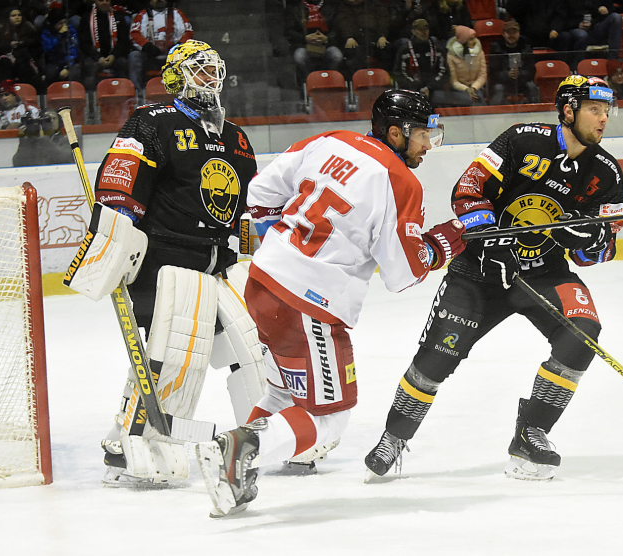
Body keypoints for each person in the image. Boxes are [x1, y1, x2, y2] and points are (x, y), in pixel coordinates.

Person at [194, 89, 467, 517]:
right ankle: (238, 449)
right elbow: (404, 272)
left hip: (262, 282)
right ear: (395, 133)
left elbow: (260, 193)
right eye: (421, 135)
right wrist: (443, 244)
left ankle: (236, 475)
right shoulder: (400, 180)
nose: (426, 145)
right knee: (329, 420)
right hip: (309, 304)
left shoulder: (329, 141)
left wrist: (281, 244)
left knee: (283, 392)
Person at [363, 75, 623, 483]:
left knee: (583, 332)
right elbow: (467, 190)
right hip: (479, 273)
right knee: (436, 359)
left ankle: (531, 433)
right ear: (568, 110)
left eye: (607, 110)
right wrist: (493, 242)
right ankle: (393, 437)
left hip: (544, 274)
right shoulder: (523, 140)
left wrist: (589, 237)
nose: (604, 118)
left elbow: (600, 251)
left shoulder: (607, 174)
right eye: (595, 109)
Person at [62, 40, 268, 487]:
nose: (210, 79)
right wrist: (109, 248)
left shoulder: (235, 137)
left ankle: (252, 434)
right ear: (176, 77)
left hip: (218, 265)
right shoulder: (153, 121)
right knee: (177, 355)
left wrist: (248, 251)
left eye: (215, 70)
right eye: (199, 70)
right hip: (166, 264)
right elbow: (120, 189)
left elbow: (248, 208)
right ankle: (141, 439)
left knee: (247, 351)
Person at [128, 0, 194, 90]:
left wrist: (178, 46)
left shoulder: (177, 13)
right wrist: (147, 46)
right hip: (150, 57)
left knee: (189, 55)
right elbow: (134, 34)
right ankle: (137, 91)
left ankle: (186, 90)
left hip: (172, 57)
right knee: (134, 56)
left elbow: (188, 33)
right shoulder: (142, 15)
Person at [285, 0, 344, 87]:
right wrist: (305, 38)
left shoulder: (331, 7)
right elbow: (289, 31)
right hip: (303, 45)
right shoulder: (295, 8)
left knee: (336, 55)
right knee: (300, 56)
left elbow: (338, 28)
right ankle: (309, 83)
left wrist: (326, 38)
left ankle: (328, 81)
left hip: (327, 45)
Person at [0, 6, 44, 91]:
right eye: (13, 16)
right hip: (4, 61)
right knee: (4, 63)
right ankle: (4, 90)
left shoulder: (29, 28)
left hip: (23, 60)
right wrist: (9, 45)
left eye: (19, 15)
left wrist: (22, 43)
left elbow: (36, 46)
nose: (17, 17)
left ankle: (27, 91)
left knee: (24, 65)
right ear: (8, 17)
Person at [78, 0, 131, 91]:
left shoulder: (118, 16)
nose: (105, 3)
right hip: (94, 57)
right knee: (89, 66)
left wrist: (113, 55)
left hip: (115, 56)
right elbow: (84, 43)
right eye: (101, 0)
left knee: (123, 63)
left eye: (107, 0)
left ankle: (124, 97)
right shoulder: (86, 18)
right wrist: (98, 57)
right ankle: (91, 99)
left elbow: (124, 41)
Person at [392, 18, 450, 100]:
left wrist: (430, 87)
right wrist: (416, 87)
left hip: (434, 89)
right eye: (420, 30)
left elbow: (444, 73)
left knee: (441, 97)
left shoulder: (437, 48)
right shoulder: (404, 50)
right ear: (413, 31)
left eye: (426, 29)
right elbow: (399, 74)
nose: (424, 32)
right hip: (412, 89)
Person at [333, 0, 394, 76]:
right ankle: (359, 79)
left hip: (374, 40)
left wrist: (382, 36)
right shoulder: (342, 6)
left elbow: (383, 20)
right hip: (355, 41)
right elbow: (343, 21)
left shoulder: (374, 4)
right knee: (354, 52)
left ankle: (386, 79)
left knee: (387, 49)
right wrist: (349, 36)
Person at [556, 0, 623, 68]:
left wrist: (606, 9)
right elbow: (561, 19)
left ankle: (612, 61)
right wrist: (577, 24)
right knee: (581, 35)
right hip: (576, 27)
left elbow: (610, 7)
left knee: (616, 17)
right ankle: (579, 67)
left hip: (595, 26)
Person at [489, 19, 539, 105]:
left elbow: (531, 71)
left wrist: (519, 73)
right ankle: (497, 115)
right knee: (498, 88)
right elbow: (493, 73)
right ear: (503, 34)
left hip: (522, 82)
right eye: (509, 33)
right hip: (503, 83)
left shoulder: (526, 47)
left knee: (532, 86)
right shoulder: (496, 48)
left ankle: (536, 112)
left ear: (519, 33)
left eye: (514, 32)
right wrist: (507, 74)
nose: (511, 35)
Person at [443, 25, 487, 105]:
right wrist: (467, 89)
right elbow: (454, 81)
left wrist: (473, 88)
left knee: (478, 97)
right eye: (470, 39)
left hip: (476, 87)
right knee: (470, 99)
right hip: (459, 89)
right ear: (463, 41)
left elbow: (482, 75)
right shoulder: (451, 55)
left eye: (474, 38)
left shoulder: (479, 52)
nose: (474, 41)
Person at [40, 9, 83, 85]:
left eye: (65, 23)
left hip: (69, 61)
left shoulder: (71, 30)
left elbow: (73, 49)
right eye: (60, 23)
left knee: (75, 71)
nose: (64, 26)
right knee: (51, 73)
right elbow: (48, 49)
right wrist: (59, 36)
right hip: (53, 62)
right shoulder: (46, 33)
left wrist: (66, 67)